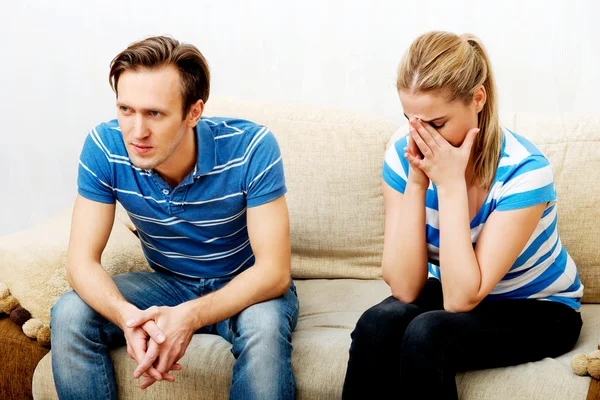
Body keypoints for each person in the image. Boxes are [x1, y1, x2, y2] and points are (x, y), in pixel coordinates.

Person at [50, 36, 299, 400]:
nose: (137, 132)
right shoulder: (105, 147)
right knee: (70, 312)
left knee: (265, 327)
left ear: (193, 113)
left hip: (246, 287)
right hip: (168, 282)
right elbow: (80, 263)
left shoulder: (252, 147)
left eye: (155, 113)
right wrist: (125, 316)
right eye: (126, 110)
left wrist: (189, 316)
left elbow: (274, 274)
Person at [342, 31, 583, 399]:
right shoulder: (401, 154)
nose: (420, 136)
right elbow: (405, 288)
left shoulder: (525, 171)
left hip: (539, 308)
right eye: (411, 119)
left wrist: (452, 185)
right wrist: (417, 185)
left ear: (478, 99)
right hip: (459, 288)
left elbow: (460, 300)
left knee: (428, 335)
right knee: (377, 323)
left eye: (436, 124)